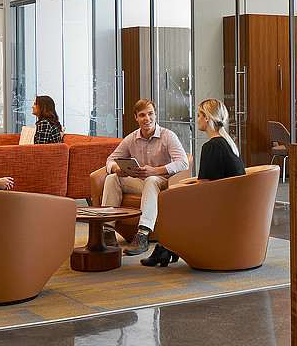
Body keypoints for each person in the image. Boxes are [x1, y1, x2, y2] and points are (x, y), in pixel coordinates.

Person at [142, 98, 245, 267]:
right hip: (230, 203)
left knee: (170, 202)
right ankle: (166, 249)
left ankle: (165, 249)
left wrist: (180, 193)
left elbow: (203, 187)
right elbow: (212, 182)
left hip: (219, 208)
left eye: (198, 116)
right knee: (174, 198)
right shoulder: (228, 143)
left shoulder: (212, 147)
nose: (196, 120)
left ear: (207, 118)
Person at [102, 99, 189, 256]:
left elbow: (183, 163)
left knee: (151, 179)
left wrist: (155, 171)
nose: (147, 118)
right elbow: (110, 159)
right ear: (136, 117)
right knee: (112, 178)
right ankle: (107, 231)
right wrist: (115, 168)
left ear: (155, 115)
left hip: (163, 182)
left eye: (150, 114)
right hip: (141, 181)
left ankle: (143, 234)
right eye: (142, 115)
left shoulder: (168, 136)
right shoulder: (130, 138)